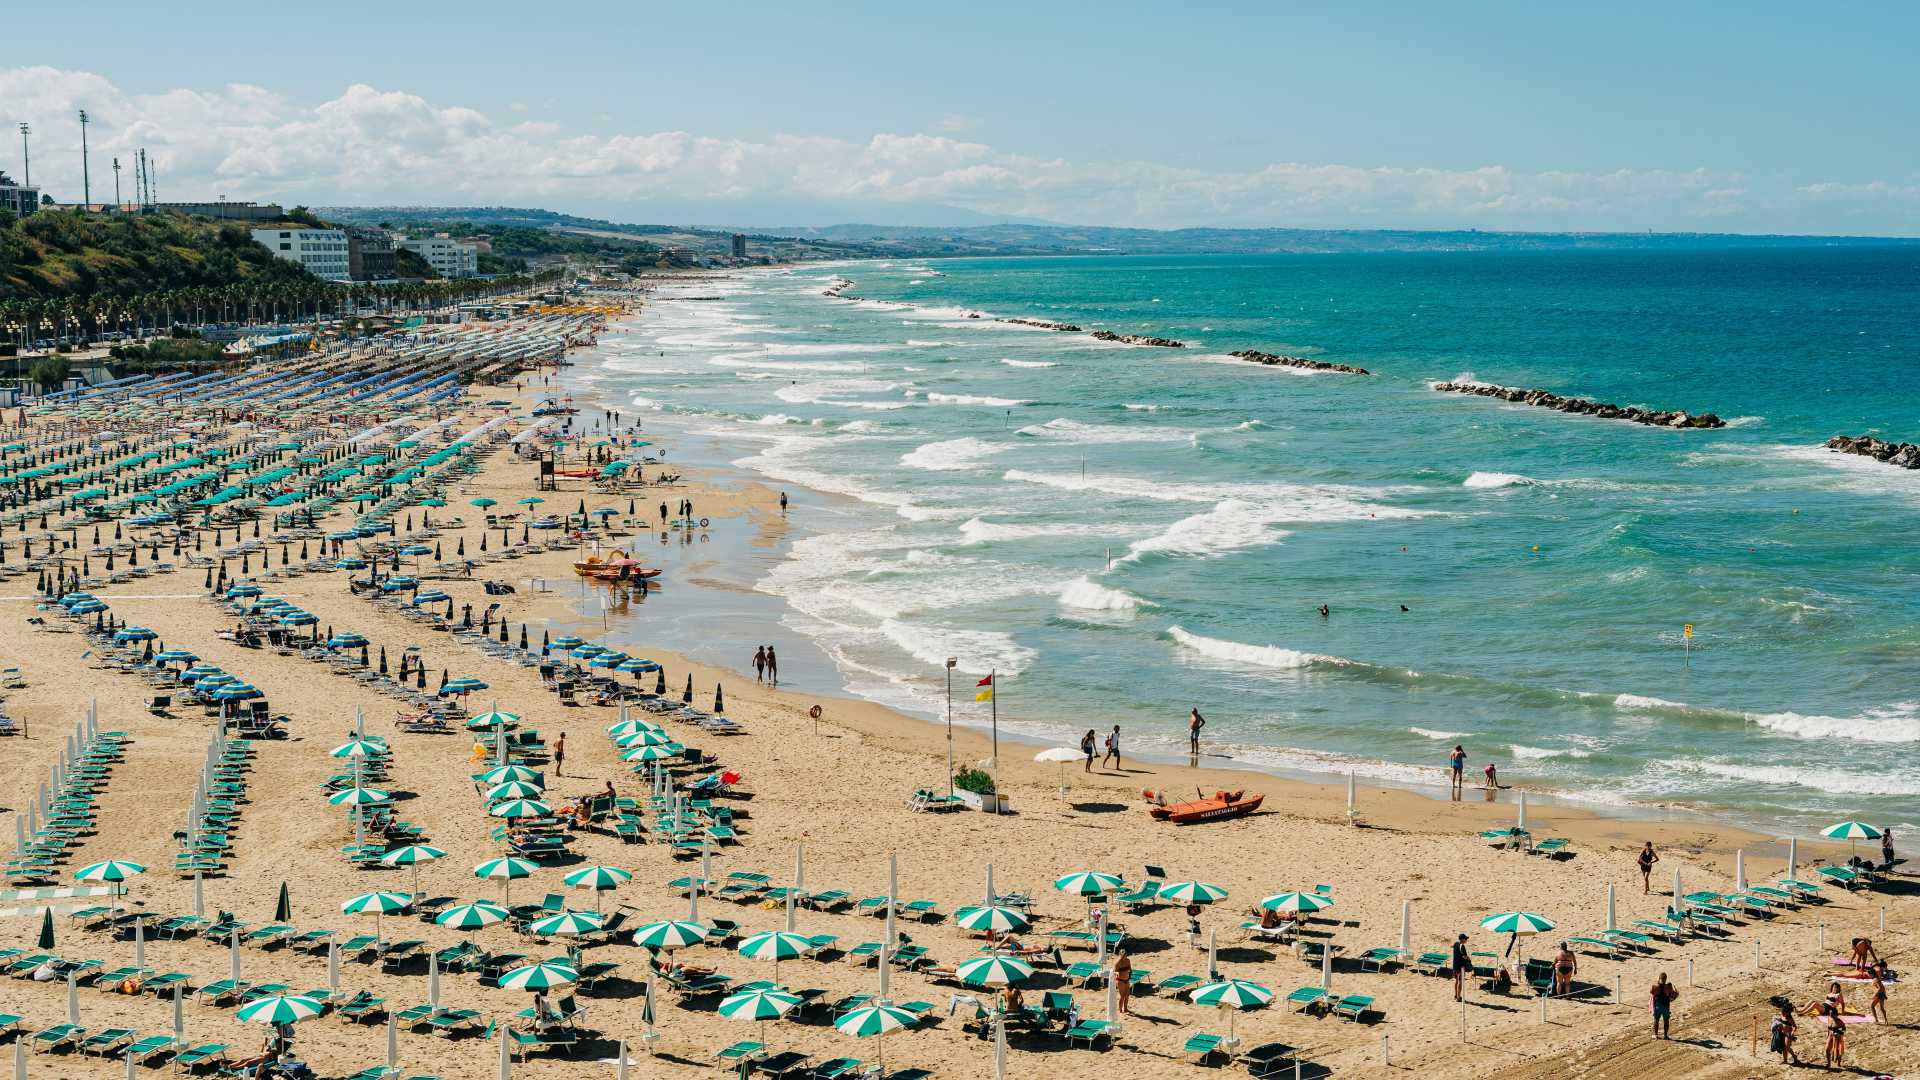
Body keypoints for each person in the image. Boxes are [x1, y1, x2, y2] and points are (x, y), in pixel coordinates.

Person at [1650, 973, 1677, 1038]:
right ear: (1666, 979)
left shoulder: (1655, 987)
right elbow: (1674, 995)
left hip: (1657, 1006)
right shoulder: (1668, 987)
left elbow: (1651, 993)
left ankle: (1656, 1035)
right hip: (1666, 1006)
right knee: (1666, 1021)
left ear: (1659, 978)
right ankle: (1665, 1035)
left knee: (1656, 1020)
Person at [1113, 949, 1134, 1015]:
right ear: (1120, 955)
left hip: (1126, 980)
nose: (1124, 957)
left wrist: (1129, 976)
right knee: (1122, 996)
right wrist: (1117, 973)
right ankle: (1120, 1009)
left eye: (1125, 956)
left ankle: (1125, 1008)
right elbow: (1114, 971)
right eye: (1122, 956)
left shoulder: (1128, 960)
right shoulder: (1118, 962)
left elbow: (1130, 969)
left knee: (1127, 995)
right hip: (1120, 980)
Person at [1451, 933, 1471, 1002]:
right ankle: (1459, 997)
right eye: (1465, 939)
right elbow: (1464, 956)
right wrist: (1468, 958)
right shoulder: (1462, 946)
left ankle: (1455, 995)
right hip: (1460, 967)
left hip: (1455, 965)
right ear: (1462, 939)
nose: (1466, 940)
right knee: (1460, 981)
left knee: (1456, 981)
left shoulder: (1455, 944)